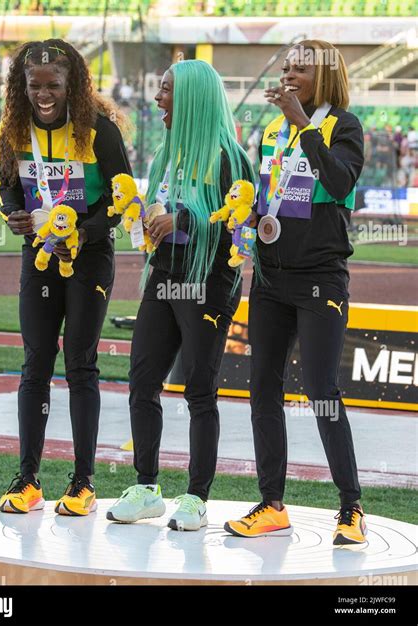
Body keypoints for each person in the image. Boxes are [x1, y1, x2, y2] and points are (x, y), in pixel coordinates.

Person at [224, 40, 367, 545]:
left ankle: (351, 508)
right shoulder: (271, 130)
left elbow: (340, 178)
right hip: (269, 278)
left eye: (299, 69)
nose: (288, 74)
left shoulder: (342, 126)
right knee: (262, 387)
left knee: (322, 390)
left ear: (324, 77)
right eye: (286, 66)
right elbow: (270, 197)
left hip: (320, 279)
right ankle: (271, 504)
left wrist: (304, 125)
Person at [107, 60, 254, 531]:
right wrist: (150, 219)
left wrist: (183, 220)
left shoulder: (228, 156)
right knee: (142, 381)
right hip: (164, 278)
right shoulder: (167, 152)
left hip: (207, 286)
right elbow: (169, 206)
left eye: (166, 91)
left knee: (199, 391)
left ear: (191, 98)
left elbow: (237, 221)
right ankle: (147, 487)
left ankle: (196, 497)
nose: (158, 99)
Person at [0, 39, 132, 516]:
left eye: (54, 84)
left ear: (72, 83)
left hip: (89, 258)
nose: (44, 94)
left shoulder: (99, 131)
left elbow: (122, 200)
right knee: (35, 363)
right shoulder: (12, 129)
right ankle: (28, 478)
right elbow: (7, 187)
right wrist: (14, 214)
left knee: (80, 363)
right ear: (22, 86)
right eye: (34, 85)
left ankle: (83, 481)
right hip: (38, 257)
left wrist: (85, 228)